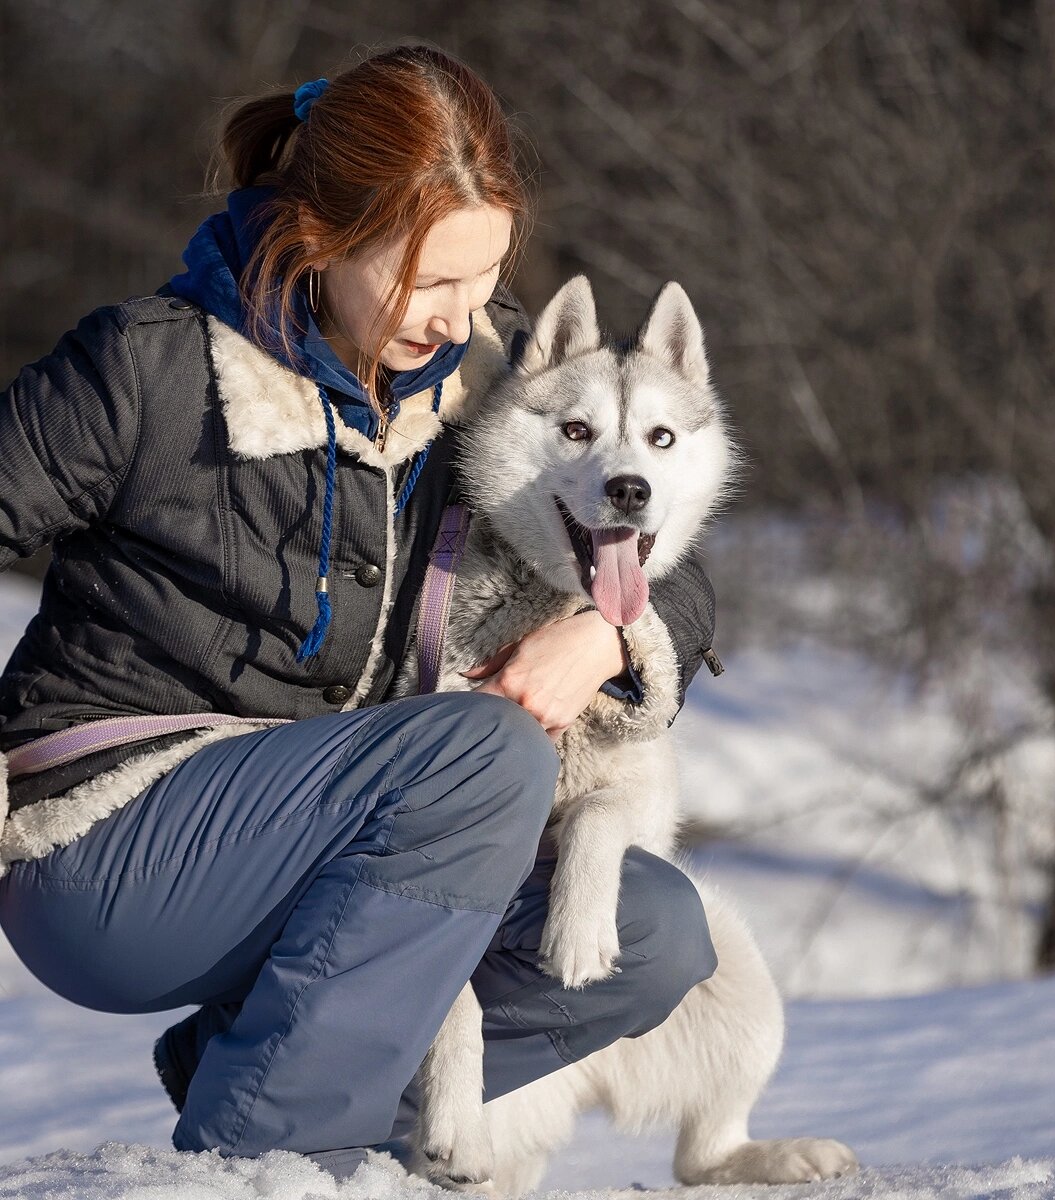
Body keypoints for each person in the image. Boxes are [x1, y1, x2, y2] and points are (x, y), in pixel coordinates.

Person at [0, 45, 719, 1180]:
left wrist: (607, 626)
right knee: (483, 749)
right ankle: (275, 1158)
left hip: (325, 830)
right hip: (109, 839)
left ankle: (262, 1074)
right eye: (428, 283)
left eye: (480, 283)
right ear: (322, 238)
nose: (459, 317)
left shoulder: (486, 388)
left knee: (651, 933)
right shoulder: (152, 367)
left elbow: (657, 527)